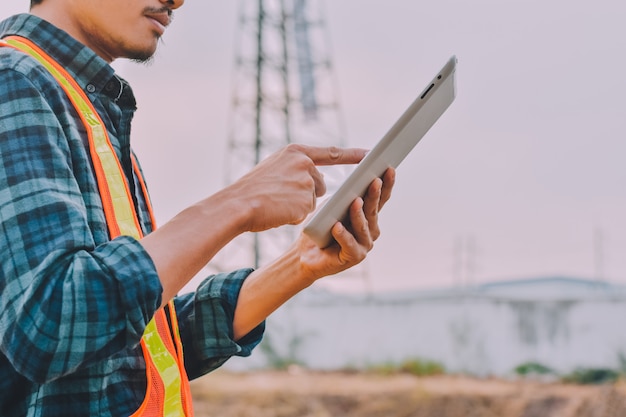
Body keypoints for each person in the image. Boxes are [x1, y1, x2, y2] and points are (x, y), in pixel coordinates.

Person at [0, 0, 395, 416]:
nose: (178, 0)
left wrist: (300, 264)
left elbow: (130, 357)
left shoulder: (87, 110)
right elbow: (49, 327)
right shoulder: (13, 83)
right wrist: (238, 203)